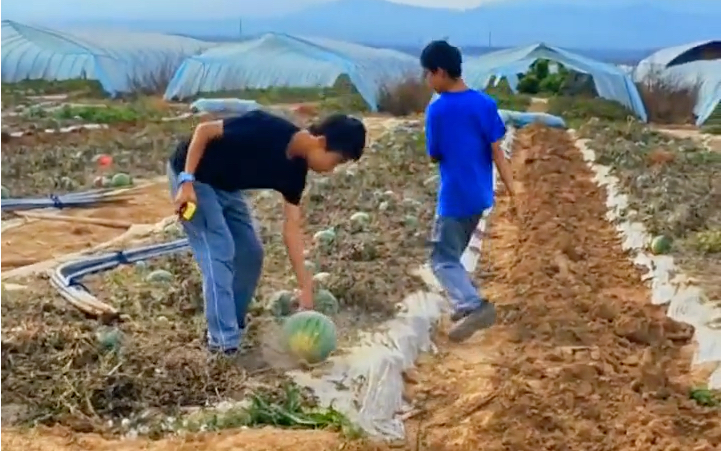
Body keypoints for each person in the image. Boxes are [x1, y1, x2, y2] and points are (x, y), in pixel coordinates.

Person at [168, 109, 366, 355]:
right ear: (322, 142)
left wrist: (305, 286)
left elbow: (291, 229)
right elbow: (204, 131)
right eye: (336, 161)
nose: (332, 169)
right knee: (219, 248)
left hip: (227, 187)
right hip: (193, 177)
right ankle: (222, 344)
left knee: (251, 253)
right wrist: (186, 182)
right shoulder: (267, 128)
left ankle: (234, 325)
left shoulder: (295, 174)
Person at [420, 40, 516, 343]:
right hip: (480, 196)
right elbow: (498, 152)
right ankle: (466, 302)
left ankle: (473, 305)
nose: (427, 81)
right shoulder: (485, 104)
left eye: (428, 74)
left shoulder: (438, 110)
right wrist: (513, 192)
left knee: (441, 259)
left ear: (440, 71)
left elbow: (434, 155)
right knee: (454, 252)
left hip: (454, 196)